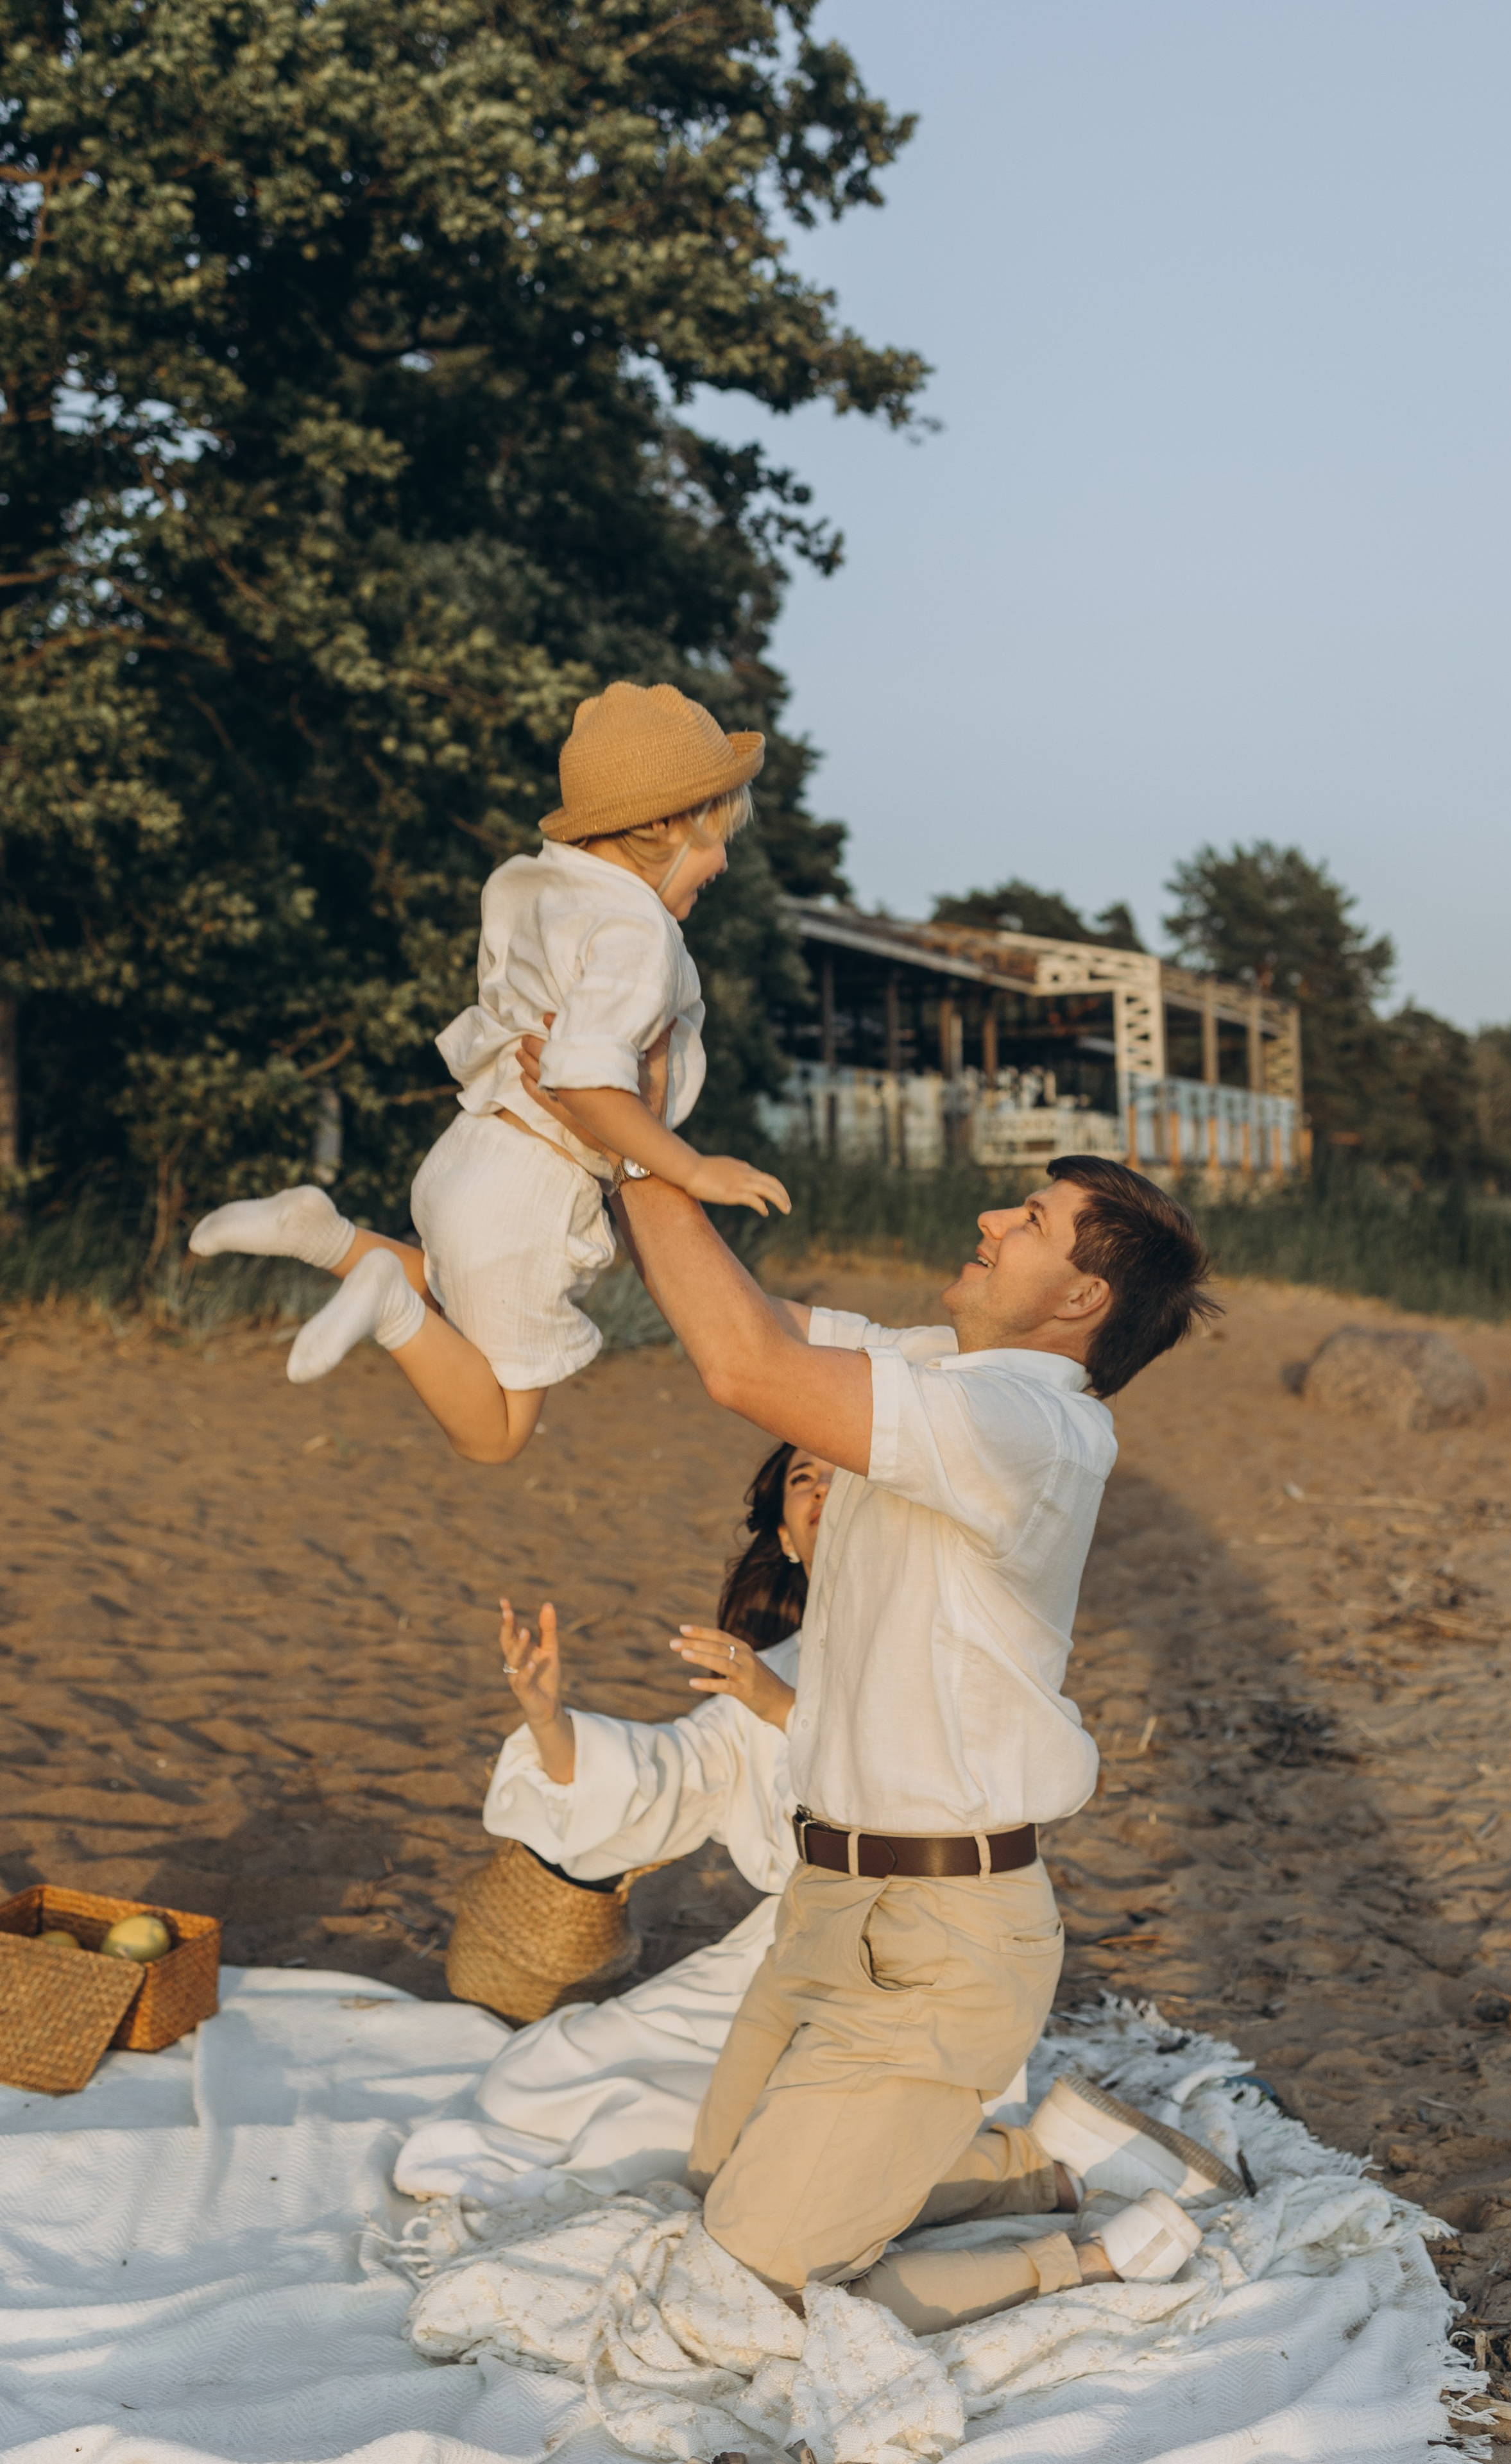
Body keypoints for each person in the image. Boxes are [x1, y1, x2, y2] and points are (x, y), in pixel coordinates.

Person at [525, 1031, 1236, 2332]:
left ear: (1080, 1301)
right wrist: (618, 1131)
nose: (987, 1216)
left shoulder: (1031, 1424)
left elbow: (744, 1371)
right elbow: (748, 1323)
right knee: (715, 2182)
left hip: (944, 1947)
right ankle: (1047, 2163)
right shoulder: (941, 1368)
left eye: (1027, 1220)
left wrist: (625, 1135)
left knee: (731, 2288)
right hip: (828, 1902)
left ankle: (1094, 2257)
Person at [186, 683, 789, 1463]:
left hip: (467, 1156)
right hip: (529, 1195)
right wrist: (692, 1167)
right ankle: (385, 1300)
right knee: (496, 1435)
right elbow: (582, 1079)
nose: (724, 859)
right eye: (716, 836)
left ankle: (324, 1235)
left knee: (451, 1285)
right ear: (662, 824)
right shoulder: (639, 934)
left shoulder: (541, 886)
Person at [395, 1440, 841, 2203]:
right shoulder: (769, 1665)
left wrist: (783, 1708)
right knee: (528, 2077)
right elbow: (665, 1772)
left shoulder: (938, 1647)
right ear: (785, 1539)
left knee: (645, 2130)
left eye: (844, 1473)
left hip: (897, 1943)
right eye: (804, 1479)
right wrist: (550, 1722)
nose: (823, 1488)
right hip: (781, 1947)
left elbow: (932, 1787)